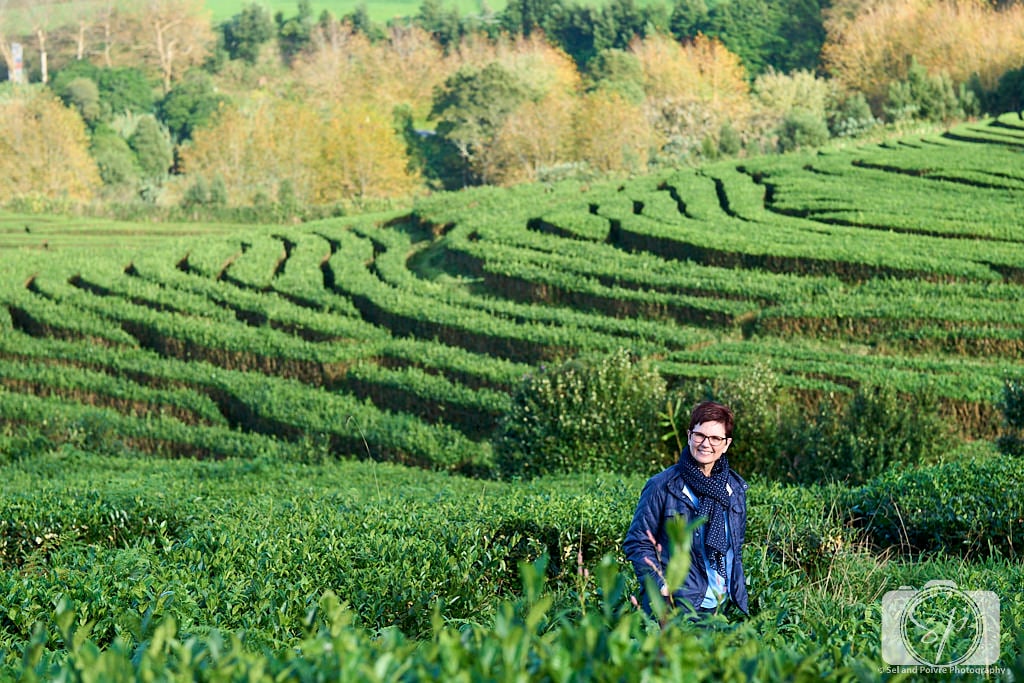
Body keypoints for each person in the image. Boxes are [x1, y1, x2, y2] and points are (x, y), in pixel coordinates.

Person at [623, 400, 749, 618]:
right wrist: (660, 585)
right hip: (675, 606)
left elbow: (734, 548)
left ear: (726, 444)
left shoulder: (734, 489)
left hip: (722, 605)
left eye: (715, 438)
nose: (705, 444)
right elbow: (638, 542)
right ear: (689, 435)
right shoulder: (662, 486)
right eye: (700, 435)